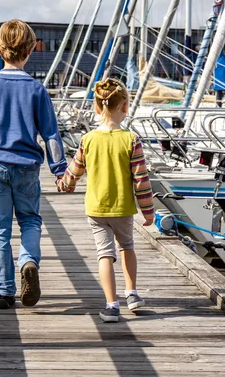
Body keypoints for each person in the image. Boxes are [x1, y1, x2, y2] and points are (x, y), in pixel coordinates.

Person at [0, 19, 67, 310]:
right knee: (31, 221)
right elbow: (51, 135)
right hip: (27, 168)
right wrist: (59, 170)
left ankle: (4, 291)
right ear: (30, 51)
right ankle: (28, 262)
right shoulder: (36, 90)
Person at [57, 77, 154, 323]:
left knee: (104, 255)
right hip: (123, 207)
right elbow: (141, 180)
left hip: (96, 209)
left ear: (97, 107)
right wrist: (148, 211)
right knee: (127, 247)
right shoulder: (132, 140)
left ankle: (112, 305)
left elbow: (75, 170)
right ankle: (131, 293)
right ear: (125, 107)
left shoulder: (88, 140)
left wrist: (65, 185)